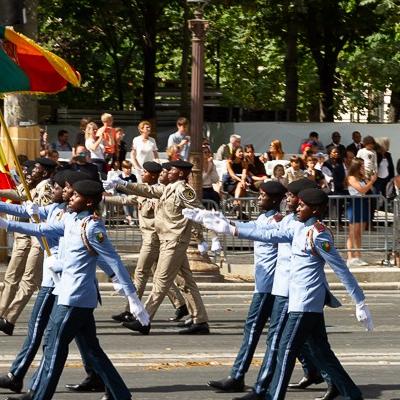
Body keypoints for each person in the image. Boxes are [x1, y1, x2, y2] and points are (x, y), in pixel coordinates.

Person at [203, 188, 373, 400]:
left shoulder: (319, 235)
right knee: (320, 351)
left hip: (305, 303)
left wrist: (359, 301)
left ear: (316, 209)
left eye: (303, 205)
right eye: (298, 203)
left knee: (285, 350)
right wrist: (231, 229)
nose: (297, 207)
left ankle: (273, 397)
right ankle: (352, 395)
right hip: (298, 302)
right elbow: (268, 233)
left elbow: (341, 270)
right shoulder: (298, 228)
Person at [0, 180, 149, 400]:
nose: (70, 197)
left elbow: (114, 261)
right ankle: (120, 395)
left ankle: (38, 397)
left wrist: (133, 298)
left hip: (74, 297)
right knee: (91, 350)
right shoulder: (71, 219)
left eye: (75, 195)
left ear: (88, 201)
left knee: (53, 345)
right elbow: (41, 229)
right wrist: (7, 224)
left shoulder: (92, 227)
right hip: (70, 294)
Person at [103, 160, 210, 335]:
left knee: (160, 282)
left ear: (181, 174)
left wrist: (206, 238)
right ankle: (200, 320)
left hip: (174, 241)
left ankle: (143, 319)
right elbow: (148, 190)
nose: (168, 172)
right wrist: (122, 183)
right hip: (167, 240)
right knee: (186, 283)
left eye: (172, 170)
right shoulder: (169, 188)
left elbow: (201, 212)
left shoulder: (183, 190)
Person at [206, 181, 287, 393]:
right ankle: (315, 371)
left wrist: (229, 228)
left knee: (253, 330)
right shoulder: (263, 217)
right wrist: (222, 221)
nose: (259, 198)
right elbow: (250, 227)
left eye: (263, 195)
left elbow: (256, 233)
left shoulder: (277, 221)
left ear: (275, 200)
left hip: (268, 286)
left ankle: (237, 375)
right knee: (294, 337)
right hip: (264, 283)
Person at [0, 158, 55, 336]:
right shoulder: (34, 184)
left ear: (45, 173)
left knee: (29, 280)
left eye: (36, 169)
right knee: (16, 278)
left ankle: (9, 319)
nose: (31, 172)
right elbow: (21, 196)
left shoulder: (46, 187)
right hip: (29, 236)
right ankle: (4, 315)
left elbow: (45, 212)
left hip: (41, 238)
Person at [346, 158, 377, 267]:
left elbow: (369, 189)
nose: (363, 168)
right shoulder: (351, 178)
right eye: (361, 166)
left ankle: (358, 256)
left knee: (359, 233)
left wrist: (368, 179)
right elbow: (362, 190)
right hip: (355, 203)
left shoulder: (361, 178)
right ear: (356, 167)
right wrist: (372, 181)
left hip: (363, 203)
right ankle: (350, 257)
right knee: (352, 232)